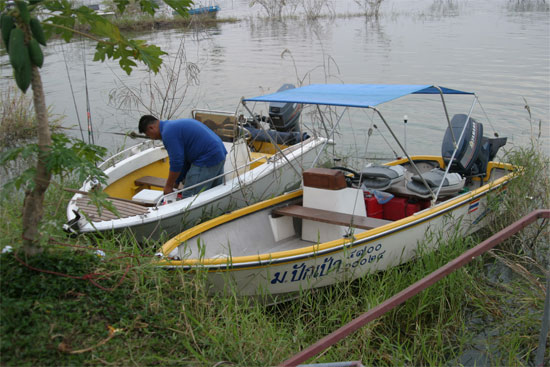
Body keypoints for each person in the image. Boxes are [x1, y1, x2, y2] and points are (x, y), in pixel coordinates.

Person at [138, 115, 227, 197]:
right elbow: (184, 160)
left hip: (207, 157)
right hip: (219, 152)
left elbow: (177, 162)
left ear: (151, 128)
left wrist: (168, 186)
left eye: (148, 135)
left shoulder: (168, 133)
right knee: (215, 192)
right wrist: (176, 182)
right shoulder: (172, 126)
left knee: (189, 196)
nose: (151, 138)